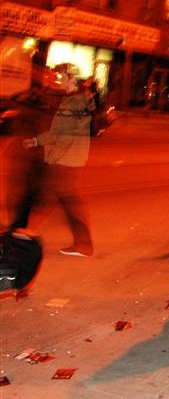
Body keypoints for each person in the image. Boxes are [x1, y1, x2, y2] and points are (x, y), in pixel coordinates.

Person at [21, 64, 95, 256]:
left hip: (66, 158)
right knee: (63, 198)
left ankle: (29, 230)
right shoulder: (75, 99)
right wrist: (37, 141)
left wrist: (48, 151)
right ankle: (30, 230)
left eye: (61, 77)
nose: (57, 80)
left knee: (59, 197)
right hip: (69, 156)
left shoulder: (74, 102)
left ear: (72, 80)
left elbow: (62, 134)